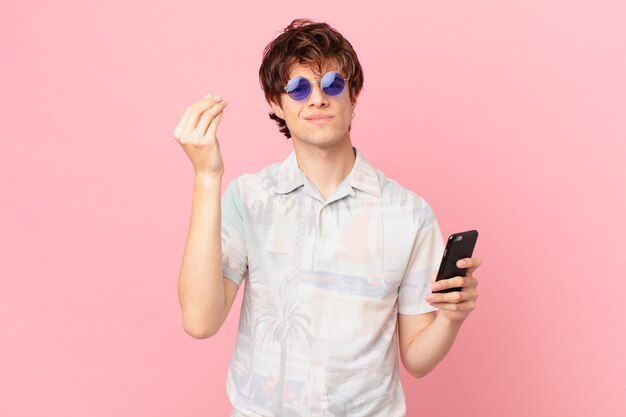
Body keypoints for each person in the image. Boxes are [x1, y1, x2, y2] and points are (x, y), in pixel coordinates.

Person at [174, 18, 482, 417]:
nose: (317, 99)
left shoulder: (410, 214)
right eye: (299, 88)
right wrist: (207, 177)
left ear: (353, 94)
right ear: (275, 103)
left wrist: (452, 318)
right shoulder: (249, 198)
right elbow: (200, 321)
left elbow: (417, 359)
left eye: (333, 84)